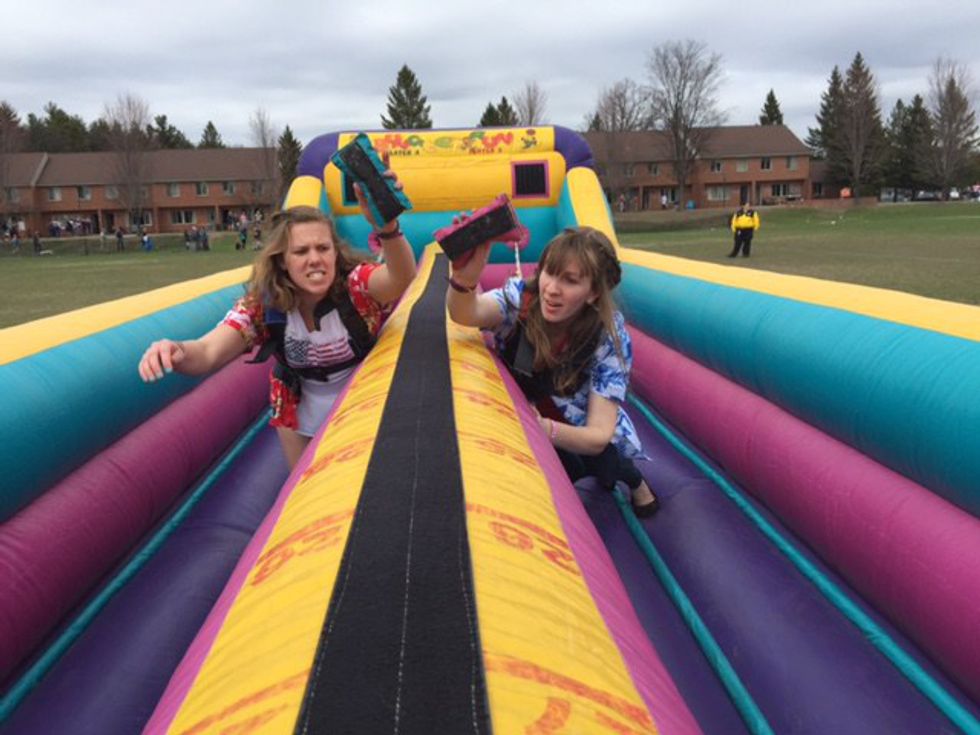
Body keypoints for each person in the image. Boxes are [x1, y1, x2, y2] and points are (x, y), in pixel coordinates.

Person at [138, 171, 416, 469]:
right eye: (301, 251)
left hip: (361, 402)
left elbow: (401, 278)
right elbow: (208, 352)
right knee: (305, 488)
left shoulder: (355, 286)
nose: (315, 259)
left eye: (323, 248)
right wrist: (177, 350)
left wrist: (387, 227)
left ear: (335, 253)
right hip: (300, 412)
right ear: (283, 260)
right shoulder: (264, 306)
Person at [446, 225, 659, 517]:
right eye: (549, 272)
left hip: (575, 426)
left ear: (593, 293)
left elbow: (597, 435)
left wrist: (543, 428)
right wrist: (464, 279)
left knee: (610, 464)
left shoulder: (606, 336)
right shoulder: (521, 299)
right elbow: (465, 313)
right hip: (534, 408)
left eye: (570, 281)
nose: (551, 289)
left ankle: (637, 482)